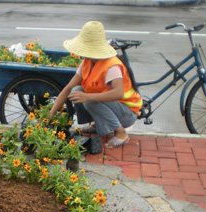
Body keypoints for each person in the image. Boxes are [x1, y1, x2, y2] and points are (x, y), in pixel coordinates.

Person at [50, 21, 142, 149]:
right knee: (76, 91)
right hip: (113, 107)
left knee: (89, 100)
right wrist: (50, 114)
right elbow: (68, 88)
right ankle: (97, 124)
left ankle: (121, 133)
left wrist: (88, 97)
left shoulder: (112, 65)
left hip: (127, 112)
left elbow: (118, 93)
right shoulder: (87, 62)